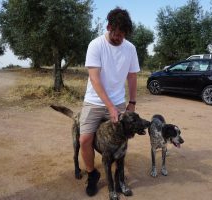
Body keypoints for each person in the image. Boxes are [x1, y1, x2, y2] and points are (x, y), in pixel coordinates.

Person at [79, 7, 140, 197]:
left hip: (119, 103)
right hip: (94, 101)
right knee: (85, 139)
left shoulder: (130, 48)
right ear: (109, 27)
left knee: (122, 141)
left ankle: (119, 177)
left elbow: (132, 76)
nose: (120, 38)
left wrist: (132, 102)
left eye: (123, 35)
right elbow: (95, 79)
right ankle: (92, 174)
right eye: (117, 34)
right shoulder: (95, 45)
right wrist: (110, 106)